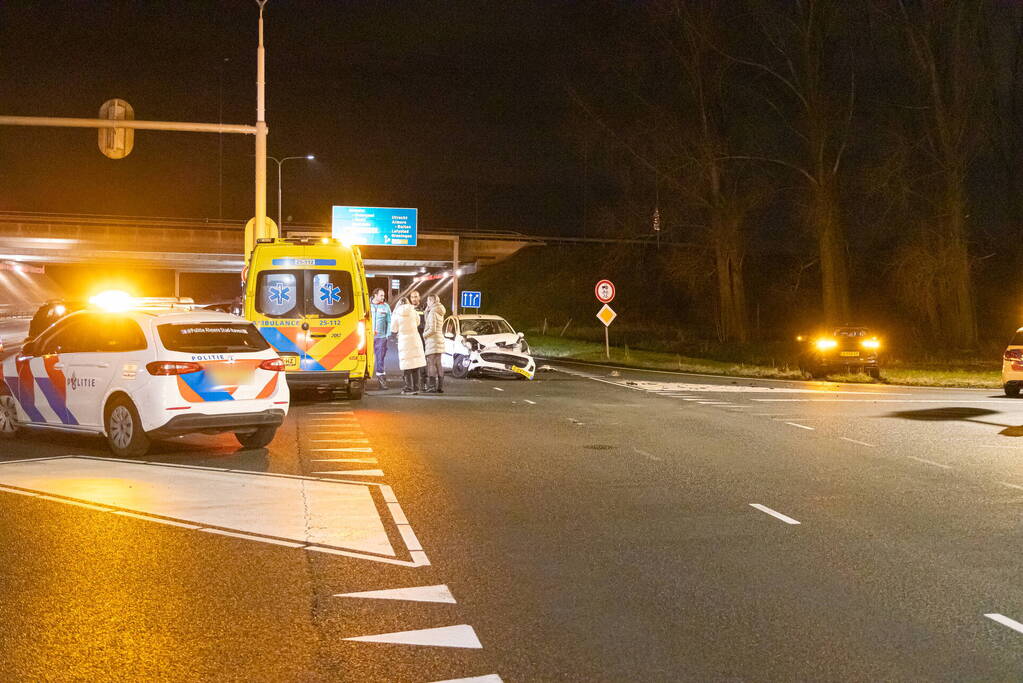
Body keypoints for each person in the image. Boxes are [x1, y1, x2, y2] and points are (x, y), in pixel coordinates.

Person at [389, 297, 426, 394]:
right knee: (415, 364)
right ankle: (416, 387)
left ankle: (408, 387)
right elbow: (418, 322)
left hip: (404, 340)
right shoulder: (413, 311)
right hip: (415, 338)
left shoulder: (397, 313)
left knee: (407, 364)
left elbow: (393, 328)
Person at [422, 294, 447, 393]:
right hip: (439, 339)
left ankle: (432, 386)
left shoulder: (432, 312)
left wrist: (424, 335)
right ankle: (440, 387)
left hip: (432, 340)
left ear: (431, 301)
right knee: (438, 363)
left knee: (431, 363)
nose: (427, 303)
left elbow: (432, 329)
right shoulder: (439, 310)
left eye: (428, 301)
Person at [369, 288, 391, 390]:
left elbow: (389, 321)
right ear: (375, 295)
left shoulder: (386, 307)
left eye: (383, 295)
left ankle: (382, 381)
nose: (383, 297)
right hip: (367, 337)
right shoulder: (367, 306)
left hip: (381, 338)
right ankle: (363, 382)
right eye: (381, 295)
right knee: (365, 359)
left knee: (380, 360)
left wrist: (387, 334)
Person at [408, 289, 427, 389]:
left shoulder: (424, 308)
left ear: (419, 297)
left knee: (422, 361)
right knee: (410, 360)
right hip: (411, 338)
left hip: (421, 338)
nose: (414, 299)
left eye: (416, 296)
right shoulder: (409, 309)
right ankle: (411, 383)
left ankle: (423, 382)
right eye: (412, 297)